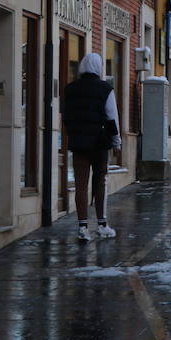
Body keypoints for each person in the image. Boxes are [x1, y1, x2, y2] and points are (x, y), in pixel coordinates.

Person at [62, 52, 121, 242]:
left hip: (78, 143)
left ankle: (82, 227)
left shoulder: (70, 89)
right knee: (100, 182)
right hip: (99, 144)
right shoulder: (105, 89)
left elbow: (66, 116)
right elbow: (112, 117)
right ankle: (102, 225)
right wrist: (116, 141)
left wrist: (73, 133)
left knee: (80, 185)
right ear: (98, 67)